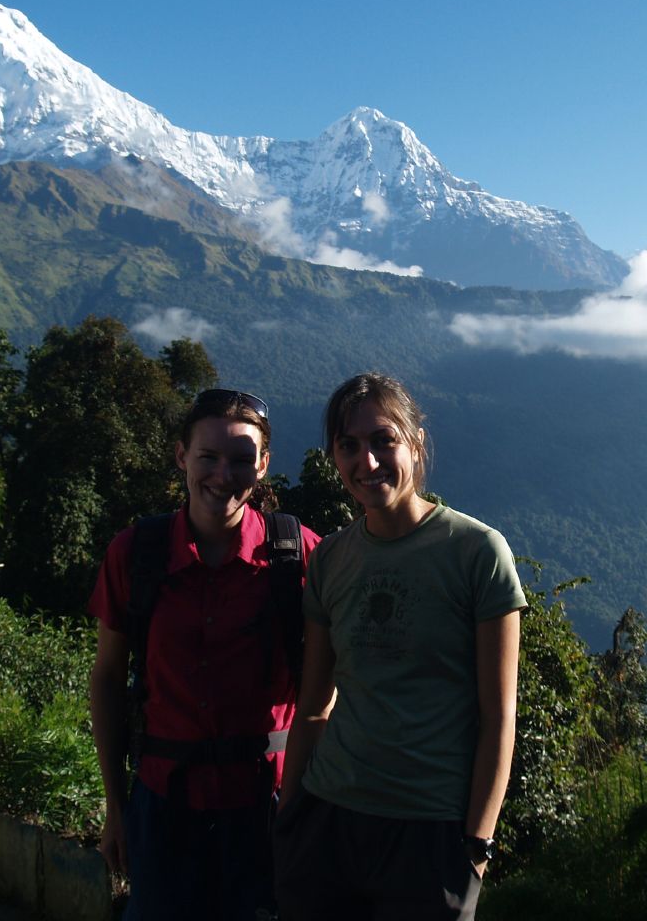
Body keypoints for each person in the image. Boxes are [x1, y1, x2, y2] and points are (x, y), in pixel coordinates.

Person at [274, 372, 526, 920]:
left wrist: (476, 846)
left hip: (429, 832)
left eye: (384, 440)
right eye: (349, 446)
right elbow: (314, 705)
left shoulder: (478, 553)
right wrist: (289, 819)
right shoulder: (331, 560)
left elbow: (498, 715)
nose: (367, 462)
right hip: (326, 821)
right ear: (334, 458)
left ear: (415, 443)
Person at [88, 388, 320, 921]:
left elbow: (328, 683)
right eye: (208, 457)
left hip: (267, 806)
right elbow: (107, 679)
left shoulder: (299, 556)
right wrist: (115, 806)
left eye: (241, 459)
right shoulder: (137, 554)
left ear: (263, 466)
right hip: (162, 801)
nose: (223, 474)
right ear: (180, 457)